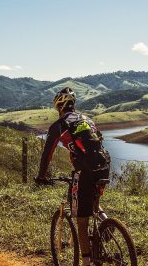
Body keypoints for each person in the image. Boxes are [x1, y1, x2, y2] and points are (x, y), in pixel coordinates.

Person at [36, 87, 110, 266]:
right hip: (104, 165)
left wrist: (41, 176)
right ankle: (107, 224)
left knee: (82, 221)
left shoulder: (59, 125)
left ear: (59, 107)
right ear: (73, 105)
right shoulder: (87, 119)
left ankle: (85, 263)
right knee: (95, 205)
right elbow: (96, 143)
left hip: (85, 171)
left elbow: (47, 154)